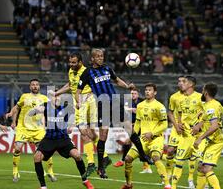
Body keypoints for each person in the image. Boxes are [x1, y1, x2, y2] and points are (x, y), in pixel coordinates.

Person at [75, 48, 153, 178]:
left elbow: (116, 80)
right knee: (103, 135)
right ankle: (101, 168)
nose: (101, 58)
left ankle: (143, 155)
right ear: (92, 59)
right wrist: (78, 102)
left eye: (102, 56)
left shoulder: (107, 69)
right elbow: (78, 90)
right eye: (98, 56)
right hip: (102, 105)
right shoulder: (87, 73)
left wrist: (127, 86)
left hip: (115, 103)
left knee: (130, 128)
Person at [53, 53, 111, 177]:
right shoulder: (71, 71)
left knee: (84, 131)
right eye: (70, 62)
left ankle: (91, 163)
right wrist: (57, 93)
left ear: (80, 62)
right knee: (89, 133)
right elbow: (70, 85)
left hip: (87, 101)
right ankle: (104, 157)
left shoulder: (87, 72)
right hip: (80, 102)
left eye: (74, 62)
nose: (71, 65)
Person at [30, 95, 94, 189]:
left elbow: (74, 115)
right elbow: (31, 113)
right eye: (53, 97)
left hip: (63, 139)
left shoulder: (66, 107)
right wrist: (37, 109)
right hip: (49, 139)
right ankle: (43, 188)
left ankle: (85, 181)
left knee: (77, 155)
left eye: (58, 97)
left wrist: (71, 125)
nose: (56, 99)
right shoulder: (46, 106)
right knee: (37, 158)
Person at [117, 83, 169, 189]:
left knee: (156, 158)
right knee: (127, 159)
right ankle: (128, 184)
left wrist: (153, 133)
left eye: (150, 90)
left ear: (155, 92)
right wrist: (132, 136)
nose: (147, 92)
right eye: (146, 90)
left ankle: (167, 186)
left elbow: (164, 125)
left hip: (156, 138)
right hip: (142, 139)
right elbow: (138, 122)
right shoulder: (140, 105)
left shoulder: (159, 106)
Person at [185, 83, 223, 189]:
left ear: (206, 93)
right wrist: (199, 126)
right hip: (210, 141)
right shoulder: (215, 104)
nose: (201, 93)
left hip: (215, 142)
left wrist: (200, 138)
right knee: (201, 167)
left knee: (207, 168)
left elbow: (214, 126)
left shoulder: (211, 106)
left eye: (202, 91)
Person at [6, 79, 55, 183]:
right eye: (33, 85)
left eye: (37, 84)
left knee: (46, 151)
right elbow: (17, 107)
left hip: (38, 129)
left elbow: (49, 112)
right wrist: (12, 116)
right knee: (18, 148)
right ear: (30, 87)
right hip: (23, 128)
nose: (35, 86)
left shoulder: (44, 98)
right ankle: (15, 171)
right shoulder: (24, 96)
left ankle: (50, 171)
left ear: (39, 86)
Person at [163, 76, 204, 189]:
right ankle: (172, 187)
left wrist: (200, 125)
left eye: (184, 81)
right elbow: (174, 113)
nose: (180, 84)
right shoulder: (176, 97)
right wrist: (177, 124)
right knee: (175, 156)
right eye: (180, 81)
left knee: (202, 162)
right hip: (182, 131)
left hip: (197, 134)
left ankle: (201, 185)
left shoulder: (200, 97)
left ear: (191, 84)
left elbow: (209, 113)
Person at [113, 88, 152, 174]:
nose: (132, 95)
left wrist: (132, 110)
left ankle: (147, 167)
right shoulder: (128, 102)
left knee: (143, 146)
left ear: (138, 94)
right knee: (128, 143)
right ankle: (123, 160)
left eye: (134, 93)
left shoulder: (142, 102)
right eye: (131, 93)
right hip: (133, 126)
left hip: (143, 126)